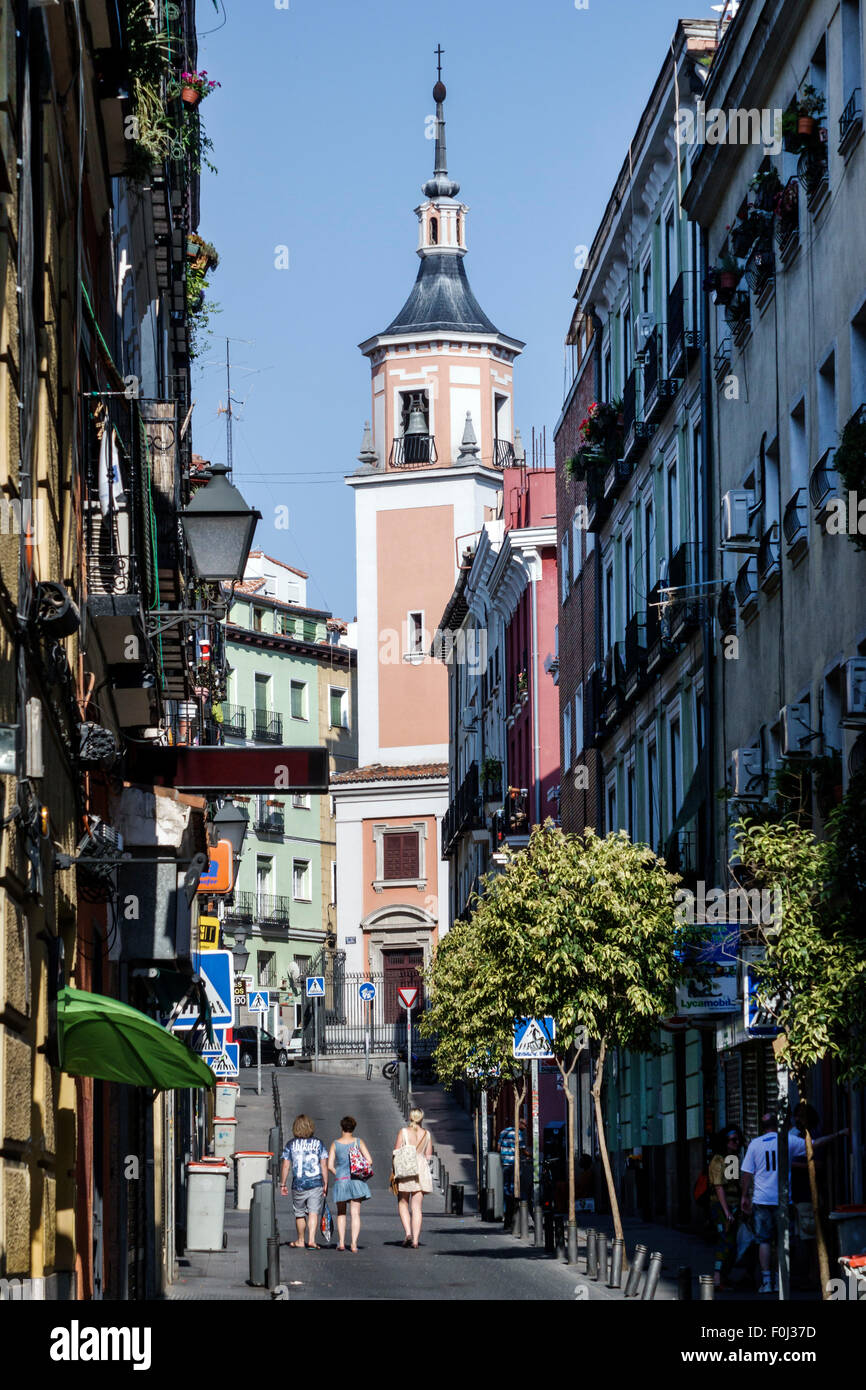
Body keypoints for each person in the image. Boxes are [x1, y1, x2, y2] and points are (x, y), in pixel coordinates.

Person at [740, 1111, 846, 1293]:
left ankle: (767, 1281)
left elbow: (746, 1173)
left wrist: (744, 1196)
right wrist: (838, 1135)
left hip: (762, 1200)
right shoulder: (787, 1141)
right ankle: (782, 1279)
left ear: (762, 1127)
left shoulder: (755, 1145)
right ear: (777, 1125)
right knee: (783, 1240)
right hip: (783, 1199)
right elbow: (814, 1144)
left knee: (763, 1240)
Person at [279, 1114, 329, 1249]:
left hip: (298, 1184)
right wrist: (326, 1183)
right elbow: (324, 1165)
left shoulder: (291, 1145)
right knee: (313, 1212)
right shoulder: (319, 1144)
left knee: (299, 1213)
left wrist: (282, 1183)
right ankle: (311, 1240)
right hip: (315, 1183)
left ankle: (301, 1240)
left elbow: (286, 1165)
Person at [328, 1116, 372, 1253]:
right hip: (356, 1180)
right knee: (355, 1213)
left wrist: (339, 1174)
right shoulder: (358, 1142)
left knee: (341, 1213)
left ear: (342, 1127)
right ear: (353, 1128)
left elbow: (330, 1165)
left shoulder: (335, 1144)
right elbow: (369, 1161)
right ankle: (353, 1243)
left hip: (341, 1180)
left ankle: (341, 1242)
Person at [392, 1106, 433, 1248]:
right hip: (420, 1170)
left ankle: (408, 1233)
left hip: (406, 1169)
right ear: (422, 1118)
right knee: (417, 1207)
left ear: (410, 1117)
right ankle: (415, 1240)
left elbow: (396, 1152)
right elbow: (428, 1156)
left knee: (403, 1202)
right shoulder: (427, 1134)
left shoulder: (403, 1132)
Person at [708, 1127, 743, 1290]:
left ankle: (724, 1277)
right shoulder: (718, 1160)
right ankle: (717, 1279)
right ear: (725, 1142)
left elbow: (735, 1184)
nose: (736, 1143)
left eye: (738, 1139)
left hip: (733, 1205)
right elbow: (719, 1187)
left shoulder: (733, 1158)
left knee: (732, 1243)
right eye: (732, 1140)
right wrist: (727, 1211)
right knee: (725, 1241)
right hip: (721, 1206)